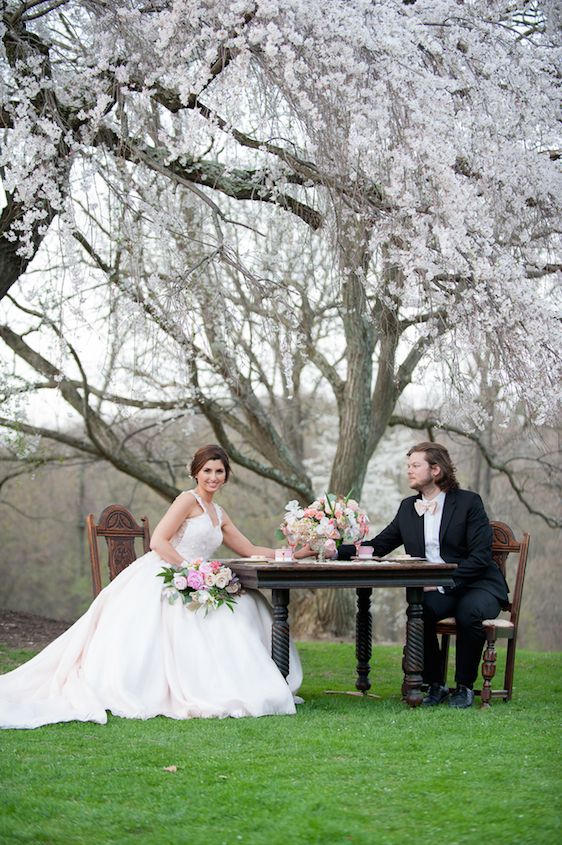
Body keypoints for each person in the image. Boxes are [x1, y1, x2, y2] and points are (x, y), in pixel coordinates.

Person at [0, 444, 302, 729]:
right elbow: (158, 541)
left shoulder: (219, 513)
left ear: (226, 476)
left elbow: (248, 548)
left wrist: (300, 552)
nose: (213, 477)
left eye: (219, 472)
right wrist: (191, 570)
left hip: (199, 578)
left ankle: (245, 682)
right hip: (169, 571)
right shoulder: (187, 500)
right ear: (196, 472)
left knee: (250, 604)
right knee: (217, 612)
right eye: (207, 470)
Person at [339, 442, 508, 708]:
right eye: (408, 466)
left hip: (478, 585)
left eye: (415, 466)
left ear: (436, 470)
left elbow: (480, 557)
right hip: (437, 588)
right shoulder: (408, 507)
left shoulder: (468, 503)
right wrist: (332, 549)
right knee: (420, 610)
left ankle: (464, 687)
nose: (409, 471)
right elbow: (379, 545)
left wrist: (443, 583)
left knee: (469, 612)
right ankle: (436, 684)